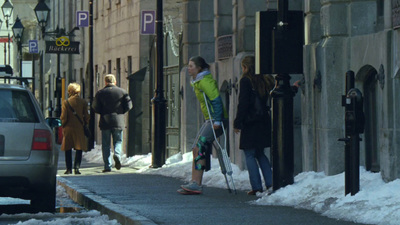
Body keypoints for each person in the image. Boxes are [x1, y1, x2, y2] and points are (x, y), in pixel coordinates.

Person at [178, 56, 228, 195]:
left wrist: (217, 120)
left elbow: (216, 100)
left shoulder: (205, 81)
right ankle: (194, 181)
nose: (189, 68)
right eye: (188, 66)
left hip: (216, 120)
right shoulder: (197, 82)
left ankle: (197, 184)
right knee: (195, 148)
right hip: (209, 119)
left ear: (199, 68)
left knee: (199, 147)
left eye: (191, 66)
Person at [233, 55, 274, 195]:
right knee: (260, 153)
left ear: (245, 67)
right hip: (263, 121)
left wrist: (238, 122)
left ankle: (256, 186)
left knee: (249, 154)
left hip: (250, 122)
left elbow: (243, 103)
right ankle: (270, 182)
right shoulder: (265, 79)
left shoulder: (246, 81)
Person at [92, 74, 132, 172]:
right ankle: (117, 154)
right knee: (118, 141)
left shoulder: (100, 93)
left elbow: (95, 107)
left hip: (105, 121)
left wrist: (102, 112)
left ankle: (107, 166)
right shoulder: (122, 92)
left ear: (105, 82)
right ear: (115, 82)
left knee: (106, 145)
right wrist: (121, 112)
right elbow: (129, 105)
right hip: (118, 120)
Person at [60, 83, 90, 175]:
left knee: (67, 148)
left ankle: (68, 169)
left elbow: (64, 117)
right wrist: (85, 123)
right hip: (79, 128)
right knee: (79, 147)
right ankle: (77, 168)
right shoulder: (83, 102)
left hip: (68, 127)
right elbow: (87, 116)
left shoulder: (66, 102)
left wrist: (63, 124)